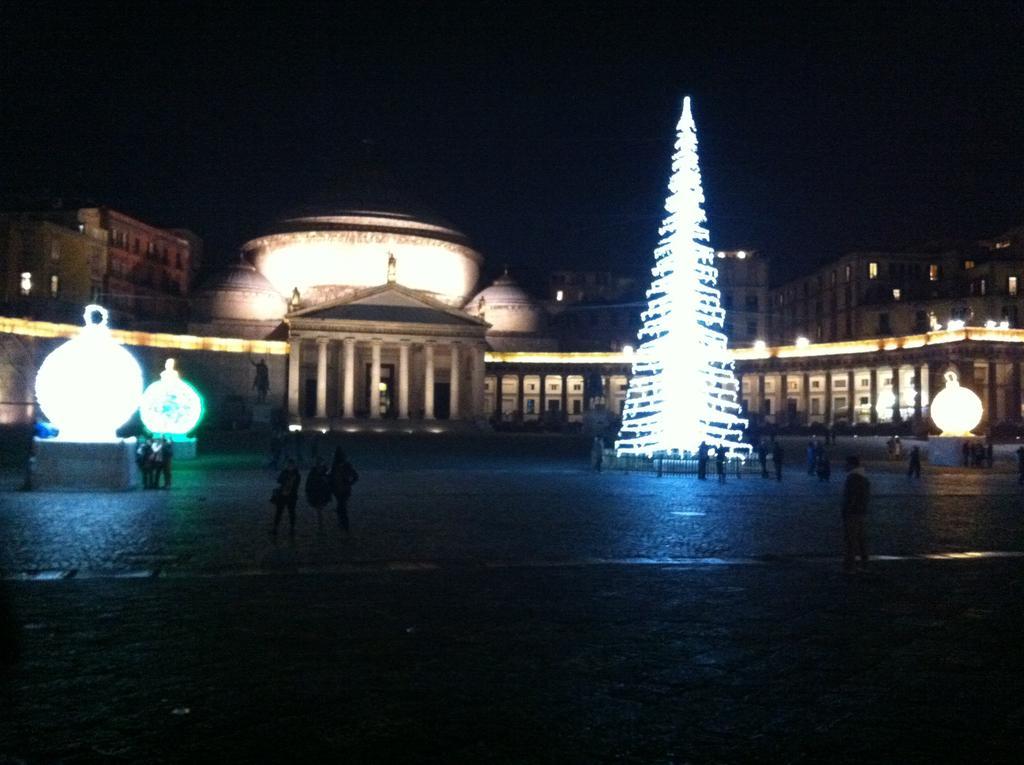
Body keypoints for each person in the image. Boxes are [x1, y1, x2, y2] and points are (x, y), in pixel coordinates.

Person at [841, 455, 871, 572]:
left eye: (846, 464)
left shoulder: (853, 478)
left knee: (850, 539)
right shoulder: (863, 477)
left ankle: (850, 565)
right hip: (861, 511)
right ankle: (864, 563)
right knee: (861, 539)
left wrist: (846, 510)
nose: (844, 466)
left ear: (852, 465)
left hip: (852, 513)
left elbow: (850, 497)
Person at [329, 447, 359, 533]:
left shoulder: (338, 465)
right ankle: (343, 525)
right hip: (340, 490)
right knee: (341, 507)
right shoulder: (341, 465)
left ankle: (345, 526)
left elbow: (355, 476)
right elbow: (355, 476)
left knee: (341, 508)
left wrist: (349, 483)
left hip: (341, 490)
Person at [271, 459, 301, 538]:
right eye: (288, 465)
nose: (289, 466)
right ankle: (275, 527)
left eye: (291, 465)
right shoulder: (285, 472)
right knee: (279, 512)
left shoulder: (296, 474)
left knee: (291, 512)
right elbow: (279, 480)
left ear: (294, 465)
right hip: (283, 496)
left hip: (291, 496)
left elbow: (295, 486)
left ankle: (292, 528)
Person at [305, 457, 332, 533]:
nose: (320, 463)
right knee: (319, 510)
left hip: (322, 493)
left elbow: (330, 481)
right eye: (319, 462)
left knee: (320, 510)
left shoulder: (325, 471)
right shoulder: (314, 471)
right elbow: (309, 482)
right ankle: (320, 526)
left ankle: (321, 526)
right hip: (316, 493)